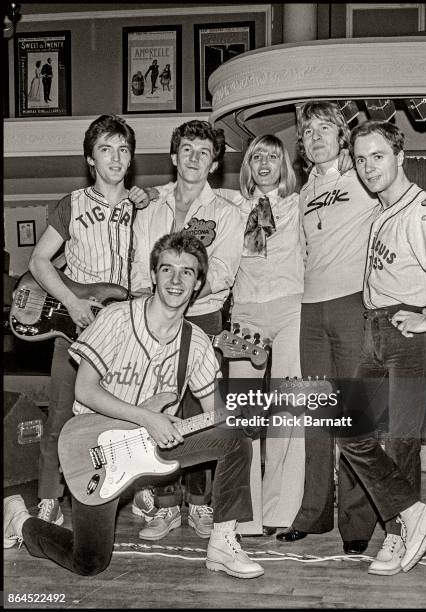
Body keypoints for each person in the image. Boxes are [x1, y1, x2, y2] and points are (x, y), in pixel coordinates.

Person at [4, 232, 264, 580]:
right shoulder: (115, 319)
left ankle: (222, 542)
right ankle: (20, 521)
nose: (175, 280)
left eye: (187, 272)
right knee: (90, 561)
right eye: (167, 269)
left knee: (234, 438)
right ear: (154, 274)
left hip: (153, 450)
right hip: (95, 449)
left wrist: (245, 412)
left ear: (198, 282)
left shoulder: (198, 344)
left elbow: (215, 411)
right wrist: (146, 417)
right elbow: (84, 389)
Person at [277, 102, 426, 552]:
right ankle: (313, 513)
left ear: (342, 136)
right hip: (311, 309)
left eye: (324, 129)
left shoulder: (361, 175)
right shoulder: (302, 191)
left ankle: (358, 527)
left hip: (358, 306)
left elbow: (407, 194)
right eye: (307, 130)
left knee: (359, 418)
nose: (315, 137)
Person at [333, 119, 426, 576]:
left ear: (400, 157)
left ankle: (397, 534)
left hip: (408, 331)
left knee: (403, 442)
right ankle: (410, 514)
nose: (368, 166)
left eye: (378, 156)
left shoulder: (421, 209)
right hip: (374, 328)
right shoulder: (381, 208)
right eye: (361, 158)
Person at [129, 120, 244, 541]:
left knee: (199, 415)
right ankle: (164, 506)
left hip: (203, 318)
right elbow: (140, 268)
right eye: (188, 150)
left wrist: (179, 300)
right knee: (157, 408)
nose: (195, 158)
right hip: (153, 318)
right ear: (174, 157)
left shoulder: (227, 214)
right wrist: (156, 307)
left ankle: (198, 504)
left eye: (204, 152)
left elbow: (225, 273)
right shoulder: (149, 209)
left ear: (214, 164)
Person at [27, 114, 141, 527]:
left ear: (130, 159)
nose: (115, 157)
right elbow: (39, 261)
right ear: (91, 159)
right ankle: (49, 500)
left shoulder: (144, 206)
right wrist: (71, 302)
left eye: (123, 149)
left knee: (129, 415)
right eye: (106, 149)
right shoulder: (71, 204)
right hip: (78, 326)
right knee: (60, 416)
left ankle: (136, 491)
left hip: (127, 330)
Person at [216, 135, 305, 534]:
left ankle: (282, 511)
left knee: (291, 409)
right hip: (246, 312)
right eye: (256, 156)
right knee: (243, 414)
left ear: (284, 165)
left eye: (273, 155)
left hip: (292, 308)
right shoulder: (231, 206)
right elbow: (187, 188)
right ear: (247, 166)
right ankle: (245, 515)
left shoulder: (301, 204)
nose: (265, 162)